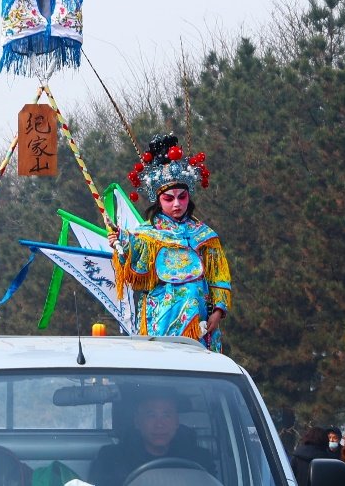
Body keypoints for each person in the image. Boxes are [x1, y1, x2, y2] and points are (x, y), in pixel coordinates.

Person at [111, 135, 232, 348]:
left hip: (200, 314)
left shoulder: (204, 235)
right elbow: (135, 266)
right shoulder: (147, 234)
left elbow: (218, 275)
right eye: (169, 199)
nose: (177, 204)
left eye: (182, 197)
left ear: (189, 197)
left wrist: (219, 311)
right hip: (161, 311)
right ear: (159, 200)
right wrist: (121, 240)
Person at [89, 388, 215, 486]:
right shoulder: (111, 459)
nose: (159, 424)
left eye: (166, 415)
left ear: (177, 422)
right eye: (151, 415)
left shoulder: (199, 461)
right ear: (137, 422)